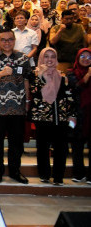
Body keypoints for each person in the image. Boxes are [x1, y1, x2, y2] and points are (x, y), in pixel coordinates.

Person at [0, 29, 33, 184]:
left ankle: (15, 170)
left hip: (17, 107)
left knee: (16, 142)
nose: (7, 42)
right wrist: (2, 73)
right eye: (3, 40)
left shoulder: (22, 58)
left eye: (10, 39)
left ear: (14, 40)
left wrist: (26, 102)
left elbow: (26, 80)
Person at [29, 48, 76, 185]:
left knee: (61, 149)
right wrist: (42, 77)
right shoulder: (35, 75)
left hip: (60, 118)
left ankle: (58, 177)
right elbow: (34, 92)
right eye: (46, 56)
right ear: (42, 59)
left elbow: (69, 97)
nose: (49, 60)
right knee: (42, 148)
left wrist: (72, 115)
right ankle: (44, 174)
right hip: (42, 119)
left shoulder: (62, 77)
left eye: (52, 57)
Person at [68, 48, 91, 183]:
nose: (86, 59)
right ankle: (78, 173)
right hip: (77, 114)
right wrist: (87, 76)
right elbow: (75, 88)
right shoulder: (71, 73)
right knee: (77, 146)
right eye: (83, 56)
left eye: (89, 57)